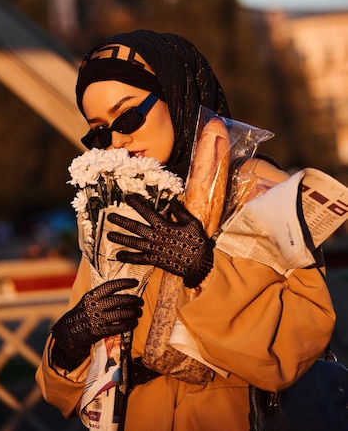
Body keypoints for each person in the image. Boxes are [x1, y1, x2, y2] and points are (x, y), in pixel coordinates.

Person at [36, 29, 336, 431]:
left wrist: (206, 272)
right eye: (99, 131)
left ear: (176, 95)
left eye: (128, 115)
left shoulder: (257, 187)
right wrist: (69, 344)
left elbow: (299, 343)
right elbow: (63, 393)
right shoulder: (116, 203)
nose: (117, 139)